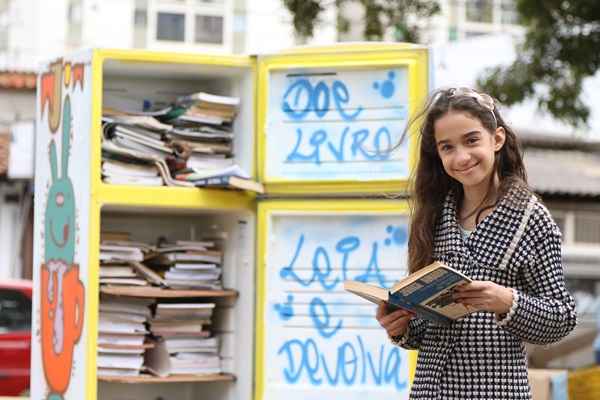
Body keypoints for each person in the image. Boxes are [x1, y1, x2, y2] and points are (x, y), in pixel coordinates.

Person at [376, 87, 577, 399]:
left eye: (471, 140)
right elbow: (431, 327)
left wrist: (507, 301)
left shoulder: (531, 219)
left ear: (496, 139)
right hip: (430, 391)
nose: (461, 157)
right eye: (447, 147)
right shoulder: (435, 218)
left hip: (496, 391)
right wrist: (400, 326)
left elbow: (562, 318)